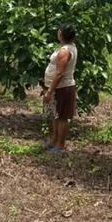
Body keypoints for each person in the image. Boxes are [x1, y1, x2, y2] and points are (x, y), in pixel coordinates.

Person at [43, 23, 78, 154]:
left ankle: (60, 145)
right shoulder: (70, 47)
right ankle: (54, 141)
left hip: (62, 88)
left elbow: (59, 73)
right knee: (56, 115)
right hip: (61, 87)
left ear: (61, 34)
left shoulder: (64, 51)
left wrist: (49, 91)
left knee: (61, 117)